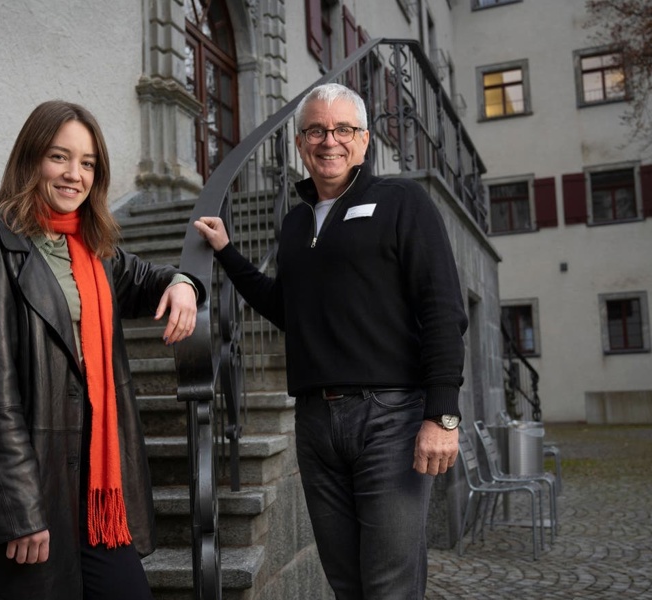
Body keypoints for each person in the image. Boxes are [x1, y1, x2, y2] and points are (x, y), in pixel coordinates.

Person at [0, 100, 203, 599]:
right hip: (33, 477)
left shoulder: (91, 249)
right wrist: (18, 509)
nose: (75, 174)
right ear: (31, 159)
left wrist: (183, 283)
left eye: (87, 162)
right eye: (59, 157)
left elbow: (145, 278)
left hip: (94, 483)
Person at [193, 83, 467, 600]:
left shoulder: (401, 201)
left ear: (364, 139)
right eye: (316, 130)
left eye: (343, 129)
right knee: (347, 585)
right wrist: (228, 253)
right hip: (317, 423)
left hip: (391, 419)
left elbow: (443, 311)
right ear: (300, 144)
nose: (329, 140)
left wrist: (443, 414)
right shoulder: (297, 222)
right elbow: (288, 310)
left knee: (389, 587)